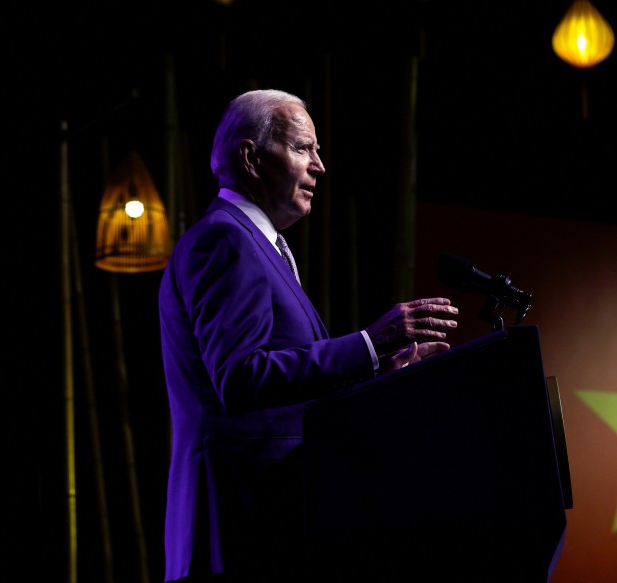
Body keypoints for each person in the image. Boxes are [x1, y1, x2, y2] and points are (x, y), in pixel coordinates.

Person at [158, 89, 460, 582]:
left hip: (271, 519)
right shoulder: (226, 239)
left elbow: (287, 381)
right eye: (303, 148)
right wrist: (369, 342)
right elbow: (239, 377)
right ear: (251, 157)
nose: (319, 165)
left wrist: (381, 371)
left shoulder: (263, 246)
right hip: (235, 524)